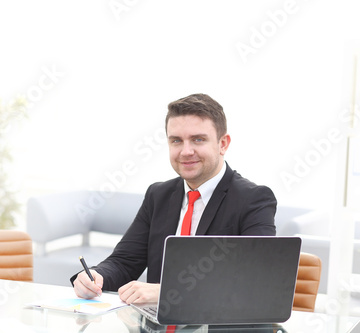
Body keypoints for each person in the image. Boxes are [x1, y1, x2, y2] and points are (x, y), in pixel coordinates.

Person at [71, 93, 277, 305]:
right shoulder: (158, 195)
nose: (186, 151)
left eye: (198, 139)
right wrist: (95, 276)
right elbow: (125, 262)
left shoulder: (254, 199)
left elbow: (255, 280)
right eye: (176, 141)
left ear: (223, 144)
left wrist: (165, 292)